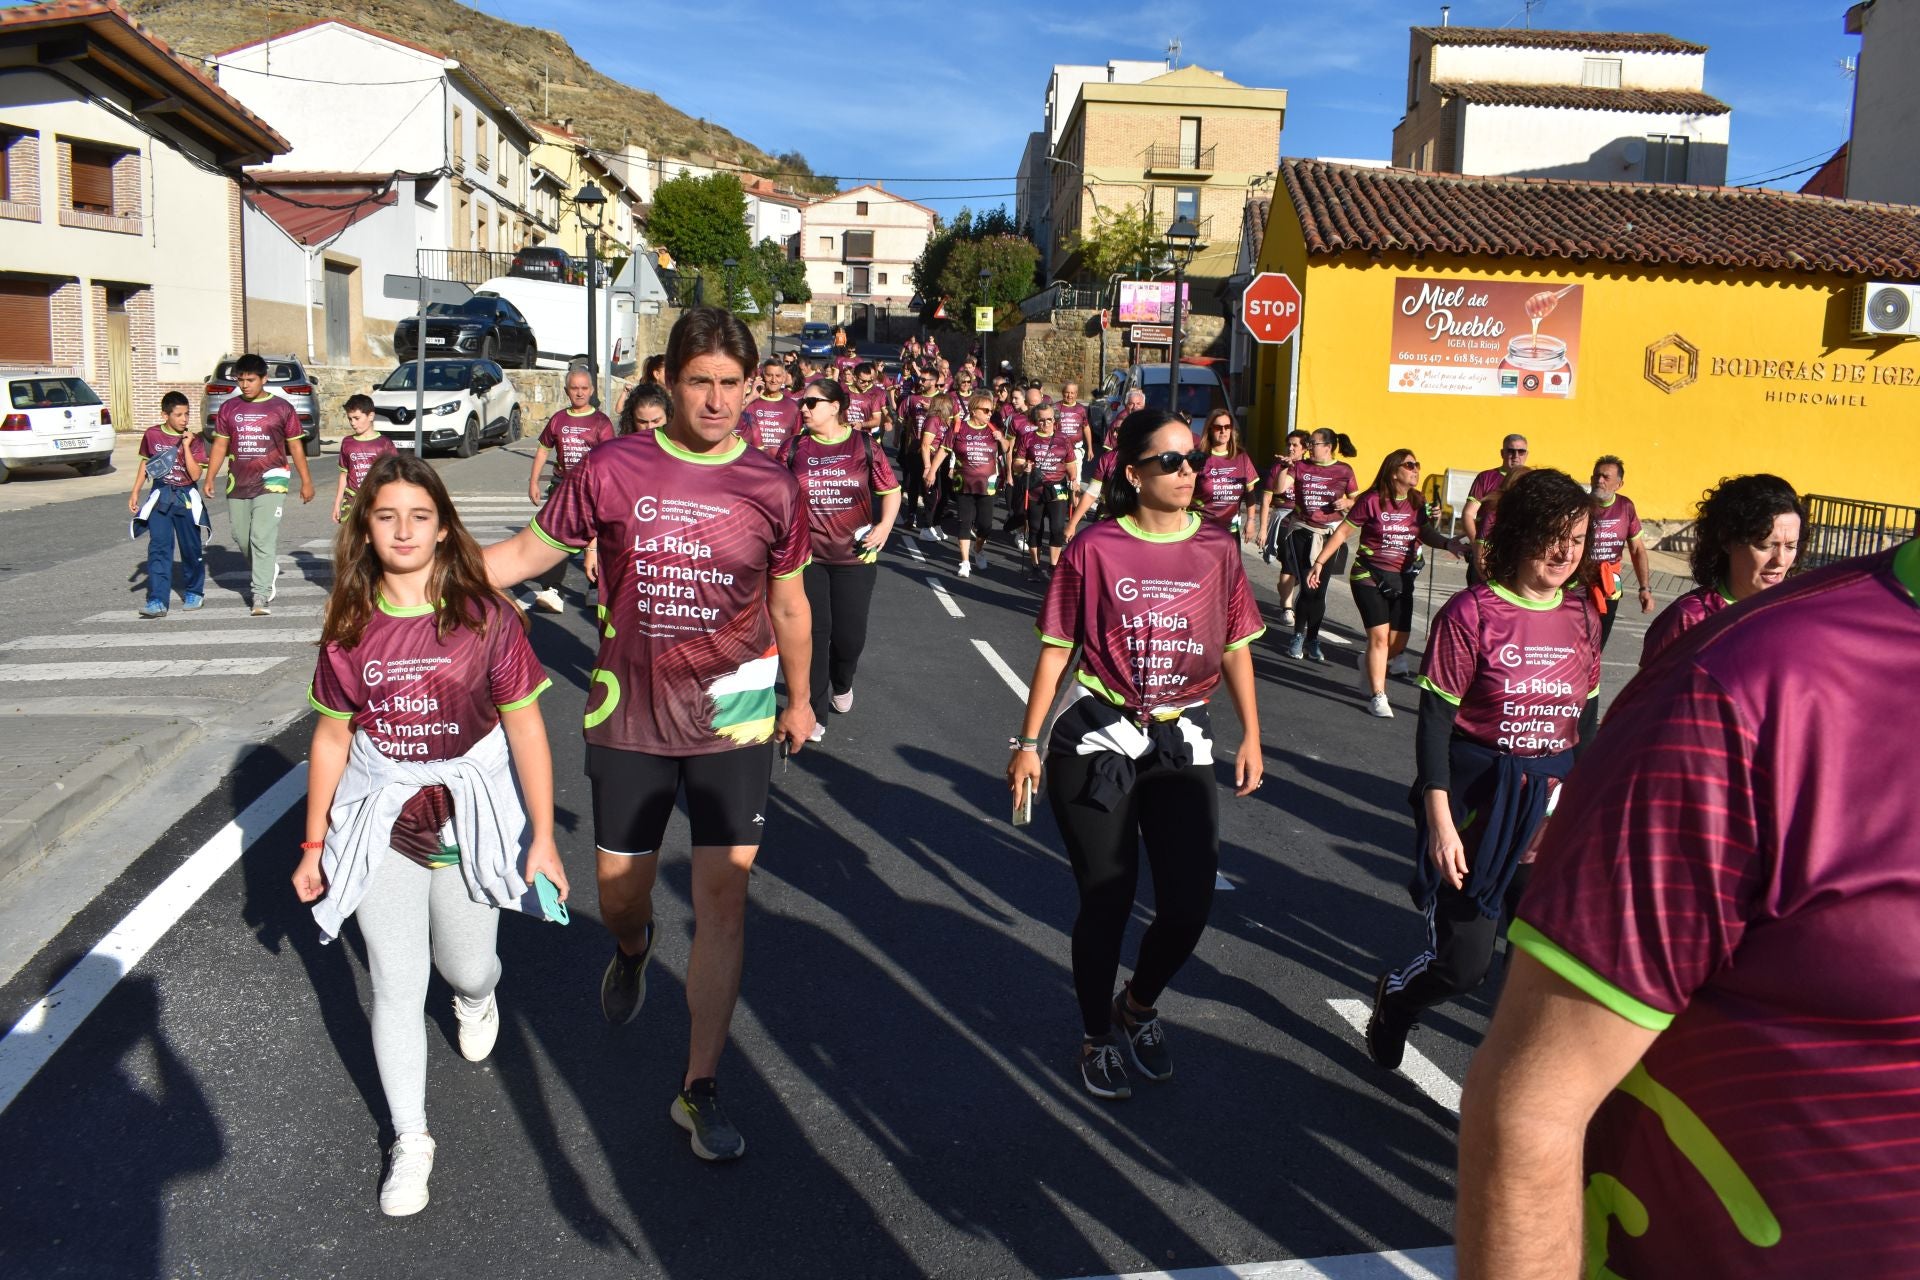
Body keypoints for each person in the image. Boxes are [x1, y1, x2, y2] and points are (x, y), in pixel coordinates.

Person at [1454, 536, 1920, 1280]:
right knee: (1461, 957)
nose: (1777, 556)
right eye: (1765, 542)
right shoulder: (1750, 682)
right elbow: (1530, 1106)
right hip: (1501, 785)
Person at [481, 307, 814, 1162]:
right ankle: (632, 948)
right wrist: (413, 572)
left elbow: (789, 604)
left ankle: (698, 1087)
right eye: (699, 380)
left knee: (724, 902)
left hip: (735, 714)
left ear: (753, 388)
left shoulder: (775, 486)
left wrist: (800, 698)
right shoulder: (613, 467)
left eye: (731, 384)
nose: (715, 400)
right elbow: (526, 553)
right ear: (667, 380)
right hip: (628, 711)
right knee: (618, 891)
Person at [296, 453, 564, 1216]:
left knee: (468, 965)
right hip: (384, 824)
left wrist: (541, 836)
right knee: (394, 982)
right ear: (366, 527)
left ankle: (477, 1000)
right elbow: (330, 741)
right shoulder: (348, 625)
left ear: (444, 527)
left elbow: (528, 735)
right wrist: (316, 846)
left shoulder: (488, 619)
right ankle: (411, 1140)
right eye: (386, 516)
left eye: (419, 515)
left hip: (467, 820)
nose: (403, 530)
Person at [1008, 408, 1265, 1101]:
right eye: (1171, 461)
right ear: (1134, 473)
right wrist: (1028, 744)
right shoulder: (1095, 548)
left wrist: (1252, 733)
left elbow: (1237, 643)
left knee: (1188, 904)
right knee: (1108, 897)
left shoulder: (1218, 548)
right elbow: (1057, 648)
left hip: (1182, 736)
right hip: (1094, 736)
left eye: (1193, 459)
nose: (1189, 472)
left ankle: (1139, 1004)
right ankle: (1096, 1034)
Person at [1364, 468, 1602, 1073]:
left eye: (1575, 539)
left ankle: (1517, 1089)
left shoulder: (1583, 618)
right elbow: (1435, 724)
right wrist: (1440, 819)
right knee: (1463, 967)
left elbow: (1589, 727)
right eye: (1551, 536)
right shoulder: (1472, 613)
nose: (1563, 552)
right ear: (1520, 535)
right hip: (1477, 808)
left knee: (1538, 970)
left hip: (1549, 815)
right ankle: (1397, 999)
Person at [777, 378, 900, 736]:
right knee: (813, 634)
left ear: (835, 407)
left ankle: (842, 681)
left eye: (812, 403)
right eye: (802, 402)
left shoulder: (863, 446)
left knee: (849, 638)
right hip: (806, 558)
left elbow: (891, 491)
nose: (803, 408)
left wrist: (884, 528)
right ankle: (813, 711)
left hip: (854, 558)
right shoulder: (793, 448)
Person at [1306, 449, 1465, 717]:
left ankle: (1368, 660)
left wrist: (1447, 542)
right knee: (1379, 638)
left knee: (1398, 643)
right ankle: (1379, 696)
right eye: (1409, 465)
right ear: (1394, 472)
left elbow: (1424, 532)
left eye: (1417, 464)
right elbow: (1344, 531)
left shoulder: (1416, 501)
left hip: (1402, 577)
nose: (1416, 469)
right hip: (1369, 575)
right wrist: (1320, 562)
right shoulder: (1371, 500)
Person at [1642, 474, 1803, 665]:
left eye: (1790, 546)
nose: (1781, 560)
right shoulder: (1689, 619)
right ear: (1727, 540)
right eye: (1765, 546)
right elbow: (1650, 693)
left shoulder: (1797, 615)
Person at [202, 353, 314, 617]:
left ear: (264, 379)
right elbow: (220, 444)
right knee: (241, 537)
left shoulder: (282, 408)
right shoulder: (229, 408)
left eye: (250, 380)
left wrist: (306, 481)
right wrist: (209, 476)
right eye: (240, 380)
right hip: (238, 481)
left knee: (261, 536)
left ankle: (260, 593)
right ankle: (267, 568)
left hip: (272, 480)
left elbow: (295, 446)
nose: (245, 385)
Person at [522, 368, 614, 612]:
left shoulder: (601, 423)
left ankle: (595, 586)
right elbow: (543, 449)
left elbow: (609, 458)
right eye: (575, 388)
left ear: (592, 390)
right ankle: (552, 589)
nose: (580, 392)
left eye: (584, 388)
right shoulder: (558, 420)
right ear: (566, 391)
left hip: (592, 488)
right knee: (556, 537)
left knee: (596, 538)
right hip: (562, 487)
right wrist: (533, 482)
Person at [128, 391, 209, 618]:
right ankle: (157, 601)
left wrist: (185, 447)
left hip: (185, 498)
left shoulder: (194, 440)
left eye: (187, 414)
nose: (184, 419)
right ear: (166, 414)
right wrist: (135, 492)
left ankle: (194, 591)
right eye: (179, 415)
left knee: (190, 548)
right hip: (161, 496)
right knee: (159, 548)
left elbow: (194, 475)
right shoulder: (152, 435)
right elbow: (146, 464)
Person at [1282, 428, 1359, 662]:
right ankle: (1297, 636)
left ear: (1328, 446)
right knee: (1308, 587)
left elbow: (1357, 500)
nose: (1308, 447)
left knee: (1320, 592)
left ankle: (1313, 639)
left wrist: (1347, 501)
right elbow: (1279, 488)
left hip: (1329, 535)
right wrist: (1288, 466)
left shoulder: (1344, 470)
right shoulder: (1300, 466)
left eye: (1313, 443)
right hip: (1302, 531)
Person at [925, 391, 1005, 578]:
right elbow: (943, 451)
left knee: (985, 525)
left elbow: (1006, 450)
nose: (989, 414)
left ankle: (978, 549)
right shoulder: (959, 427)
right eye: (985, 410)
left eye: (991, 411)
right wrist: (931, 471)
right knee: (964, 522)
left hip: (987, 484)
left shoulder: (992, 428)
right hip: (964, 483)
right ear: (974, 410)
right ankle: (965, 561)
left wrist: (1001, 438)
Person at [1586, 455, 1654, 647]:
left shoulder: (1625, 507)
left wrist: (1645, 588)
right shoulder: (1579, 506)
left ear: (1619, 484)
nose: (1599, 480)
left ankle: (1592, 675)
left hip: (1610, 584)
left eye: (1606, 477)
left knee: (1598, 645)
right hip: (1578, 584)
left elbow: (1637, 549)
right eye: (1597, 476)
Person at [1013, 402, 1075, 580]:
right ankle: (1035, 566)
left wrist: (1074, 482)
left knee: (1056, 528)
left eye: (1049, 420)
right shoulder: (1028, 438)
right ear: (1035, 420)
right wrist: (1024, 465)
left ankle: (1053, 566)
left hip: (1058, 488)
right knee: (1035, 528)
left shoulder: (1064, 439)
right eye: (1041, 420)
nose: (1045, 424)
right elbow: (1016, 463)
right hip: (1035, 489)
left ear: (1055, 420)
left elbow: (1071, 466)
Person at [1461, 434, 1527, 583]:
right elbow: (1468, 514)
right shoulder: (1486, 477)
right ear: (1502, 453)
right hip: (1486, 551)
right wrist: (1476, 545)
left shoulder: (1530, 479)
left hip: (1517, 555)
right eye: (1510, 451)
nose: (1515, 456)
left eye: (1521, 451)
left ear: (1526, 454)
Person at [1258, 431, 1309, 613]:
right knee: (1288, 560)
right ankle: (1287, 608)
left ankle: (1285, 586)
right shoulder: (1277, 468)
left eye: (1295, 445)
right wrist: (1262, 529)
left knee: (1302, 566)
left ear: (1305, 448)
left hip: (1305, 520)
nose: (1291, 448)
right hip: (1284, 520)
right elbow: (1266, 500)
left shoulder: (1309, 468)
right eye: (1289, 444)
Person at [1194, 410, 1259, 538]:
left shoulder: (1242, 457)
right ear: (1210, 429)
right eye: (1218, 427)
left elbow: (1250, 494)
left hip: (1230, 530)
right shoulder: (1199, 457)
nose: (1223, 431)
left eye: (1227, 427)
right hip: (1201, 530)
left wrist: (1251, 520)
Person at [333, 394, 398, 523]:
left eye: (357, 418)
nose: (353, 423)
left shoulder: (384, 443)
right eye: (350, 419)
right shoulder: (347, 442)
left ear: (371, 416)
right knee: (353, 541)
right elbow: (344, 475)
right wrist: (337, 503)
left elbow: (395, 475)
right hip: (352, 502)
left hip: (377, 501)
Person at [737, 358, 800, 454]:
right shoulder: (750, 402)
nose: (774, 380)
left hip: (780, 467)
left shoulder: (793, 407)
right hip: (752, 462)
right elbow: (731, 418)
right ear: (762, 376)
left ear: (784, 378)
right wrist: (751, 397)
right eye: (769, 375)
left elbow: (796, 441)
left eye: (778, 376)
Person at [845, 362, 890, 439]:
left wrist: (861, 425)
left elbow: (877, 420)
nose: (866, 384)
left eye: (869, 381)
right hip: (844, 436)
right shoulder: (843, 391)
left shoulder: (874, 395)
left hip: (864, 437)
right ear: (855, 378)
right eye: (863, 381)